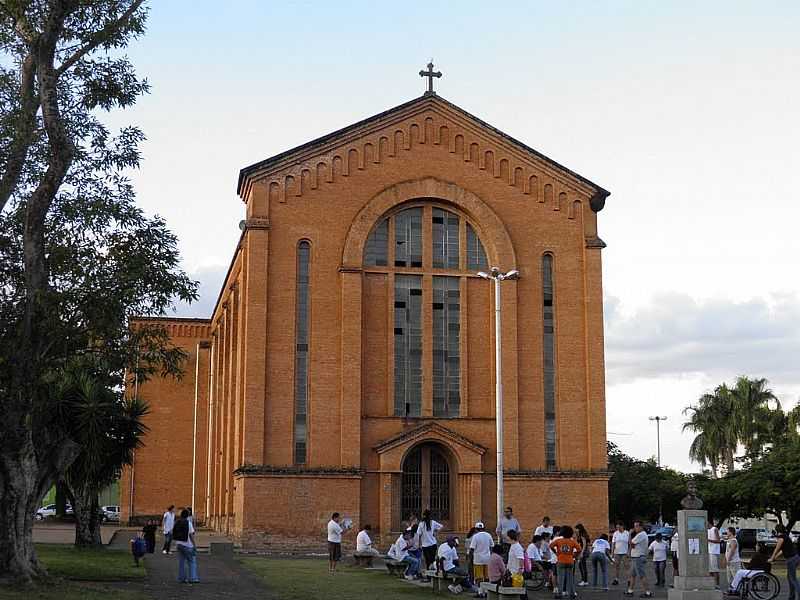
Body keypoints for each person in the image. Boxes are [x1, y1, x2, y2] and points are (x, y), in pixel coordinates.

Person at [550, 525, 582, 599]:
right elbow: (579, 549)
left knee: (560, 578)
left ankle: (559, 593)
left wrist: (556, 552)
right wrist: (574, 555)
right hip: (570, 561)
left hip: (561, 561)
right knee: (570, 578)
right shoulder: (572, 541)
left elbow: (551, 546)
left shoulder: (558, 541)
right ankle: (572, 593)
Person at [769, 523, 799, 600]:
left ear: (777, 530)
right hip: (795, 558)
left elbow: (777, 549)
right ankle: (791, 597)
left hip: (791, 559)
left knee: (793, 579)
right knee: (790, 578)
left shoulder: (781, 538)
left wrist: (772, 558)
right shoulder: (785, 536)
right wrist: (775, 557)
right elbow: (782, 551)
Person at [625, 520, 652, 598]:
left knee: (642, 575)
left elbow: (631, 543)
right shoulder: (640, 535)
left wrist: (629, 534)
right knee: (632, 575)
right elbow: (633, 545)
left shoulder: (641, 535)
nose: (635, 528)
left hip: (638, 557)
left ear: (641, 527)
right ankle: (630, 591)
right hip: (636, 557)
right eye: (634, 526)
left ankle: (647, 592)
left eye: (636, 526)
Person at [173, 508, 199, 583]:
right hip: (187, 544)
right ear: (187, 516)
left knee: (182, 562)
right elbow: (191, 535)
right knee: (192, 561)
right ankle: (193, 578)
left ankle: (181, 578)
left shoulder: (177, 522)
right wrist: (194, 545)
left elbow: (173, 532)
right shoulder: (188, 523)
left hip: (179, 544)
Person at [469, 522, 494, 588]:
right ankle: (486, 591)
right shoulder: (488, 535)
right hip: (487, 559)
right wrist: (490, 554)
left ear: (476, 529)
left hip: (478, 560)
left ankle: (480, 591)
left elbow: (472, 549)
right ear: (484, 528)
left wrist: (470, 558)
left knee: (479, 577)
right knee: (487, 576)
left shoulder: (475, 536)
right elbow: (492, 546)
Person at [708, 521, 722, 588]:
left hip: (714, 552)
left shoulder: (715, 529)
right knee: (710, 570)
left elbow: (718, 540)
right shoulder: (708, 530)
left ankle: (717, 584)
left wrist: (709, 540)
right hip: (709, 551)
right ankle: (711, 584)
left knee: (715, 569)